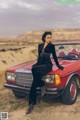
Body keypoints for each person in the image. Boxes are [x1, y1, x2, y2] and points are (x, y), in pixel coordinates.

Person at [26, 31, 64, 114]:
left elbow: (54, 56)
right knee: (34, 81)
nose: (50, 39)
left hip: (47, 65)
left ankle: (41, 86)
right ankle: (31, 104)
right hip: (40, 64)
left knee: (34, 73)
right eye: (48, 37)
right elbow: (39, 56)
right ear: (44, 38)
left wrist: (58, 66)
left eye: (51, 37)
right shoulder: (40, 45)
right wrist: (36, 64)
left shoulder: (52, 46)